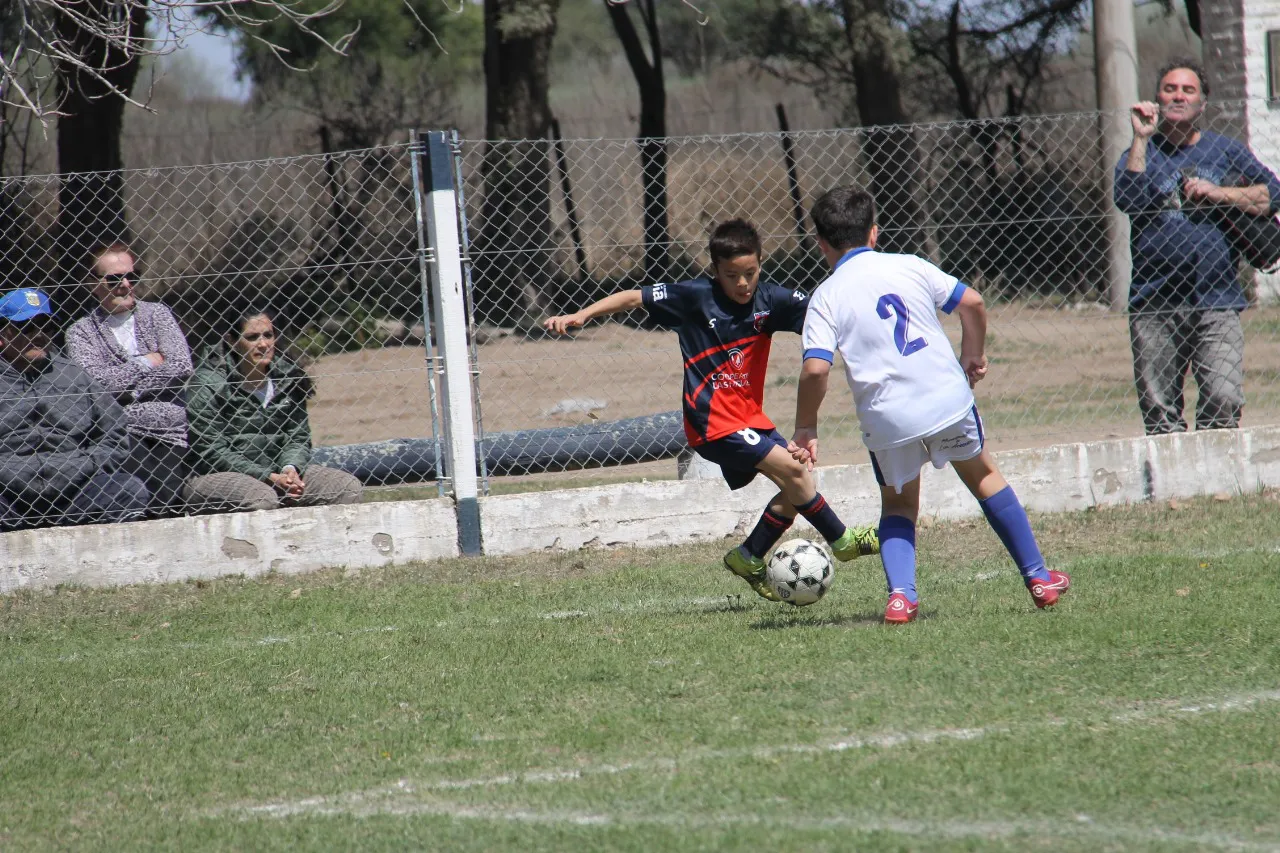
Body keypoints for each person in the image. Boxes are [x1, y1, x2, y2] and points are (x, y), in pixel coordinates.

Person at [543, 218, 879, 602]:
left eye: (750, 273)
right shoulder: (694, 297)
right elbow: (633, 297)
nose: (742, 284)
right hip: (711, 422)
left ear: (761, 263)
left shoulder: (771, 300)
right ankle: (844, 541)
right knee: (794, 472)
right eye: (731, 275)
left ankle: (749, 556)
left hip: (750, 419)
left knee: (797, 483)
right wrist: (581, 315)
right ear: (714, 270)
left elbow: (822, 310)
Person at [794, 186, 1070, 624]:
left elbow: (815, 370)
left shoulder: (825, 297)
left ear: (821, 244)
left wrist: (806, 427)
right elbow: (973, 302)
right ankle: (1038, 576)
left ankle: (901, 597)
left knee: (899, 505)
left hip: (887, 418)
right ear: (874, 233)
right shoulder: (909, 265)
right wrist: (973, 355)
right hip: (946, 400)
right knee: (984, 478)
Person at [1114, 58, 1280, 434]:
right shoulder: (1142, 152)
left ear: (1202, 104)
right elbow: (1126, 198)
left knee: (1223, 397)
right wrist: (1140, 137)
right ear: (1156, 97)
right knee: (1160, 411)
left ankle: (1218, 478)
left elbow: (1274, 194)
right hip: (1154, 300)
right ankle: (1169, 486)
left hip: (1217, 298)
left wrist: (1220, 193)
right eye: (1170, 88)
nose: (1178, 96)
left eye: (1188, 90)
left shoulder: (1225, 151)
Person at [184, 305, 363, 512]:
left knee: (346, 488)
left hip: (277, 473)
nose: (263, 344)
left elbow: (297, 436)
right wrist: (267, 477)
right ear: (232, 341)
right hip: (217, 476)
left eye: (268, 335)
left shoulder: (288, 378)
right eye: (252, 337)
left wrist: (290, 470)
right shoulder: (207, 385)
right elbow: (211, 452)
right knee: (262, 498)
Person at [0, 288, 149, 531]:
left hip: (75, 493)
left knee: (128, 488)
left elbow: (115, 432)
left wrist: (87, 464)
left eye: (45, 326)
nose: (38, 335)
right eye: (26, 326)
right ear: (3, 330)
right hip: (9, 497)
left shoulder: (75, 375)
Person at [66, 243, 194, 518]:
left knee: (168, 502)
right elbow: (97, 384)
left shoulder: (157, 314)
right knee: (143, 499)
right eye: (114, 279)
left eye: (131, 277)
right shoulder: (81, 332)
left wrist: (128, 390)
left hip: (169, 425)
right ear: (93, 283)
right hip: (120, 428)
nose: (125, 285)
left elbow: (181, 366)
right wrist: (148, 361)